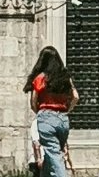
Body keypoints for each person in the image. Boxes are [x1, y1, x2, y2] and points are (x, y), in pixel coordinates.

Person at [27, 47, 75, 177]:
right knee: (50, 155)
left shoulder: (40, 78)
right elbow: (75, 96)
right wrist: (67, 109)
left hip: (46, 116)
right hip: (63, 118)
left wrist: (41, 113)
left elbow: (33, 102)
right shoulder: (65, 78)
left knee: (54, 154)